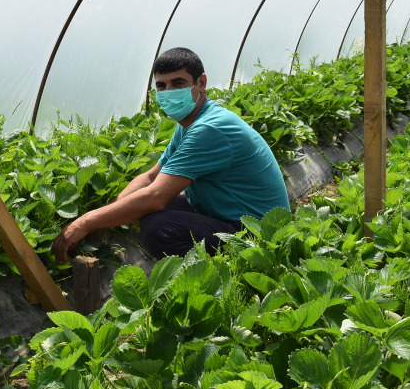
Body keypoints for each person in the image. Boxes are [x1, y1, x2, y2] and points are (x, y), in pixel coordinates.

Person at [50, 47, 289, 262]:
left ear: (201, 83)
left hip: (258, 234)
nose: (168, 92)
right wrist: (108, 213)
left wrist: (86, 221)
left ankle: (214, 274)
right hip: (227, 214)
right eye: (161, 86)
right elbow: (151, 177)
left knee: (158, 227)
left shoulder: (209, 129)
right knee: (148, 209)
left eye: (178, 83)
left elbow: (155, 196)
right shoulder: (191, 122)